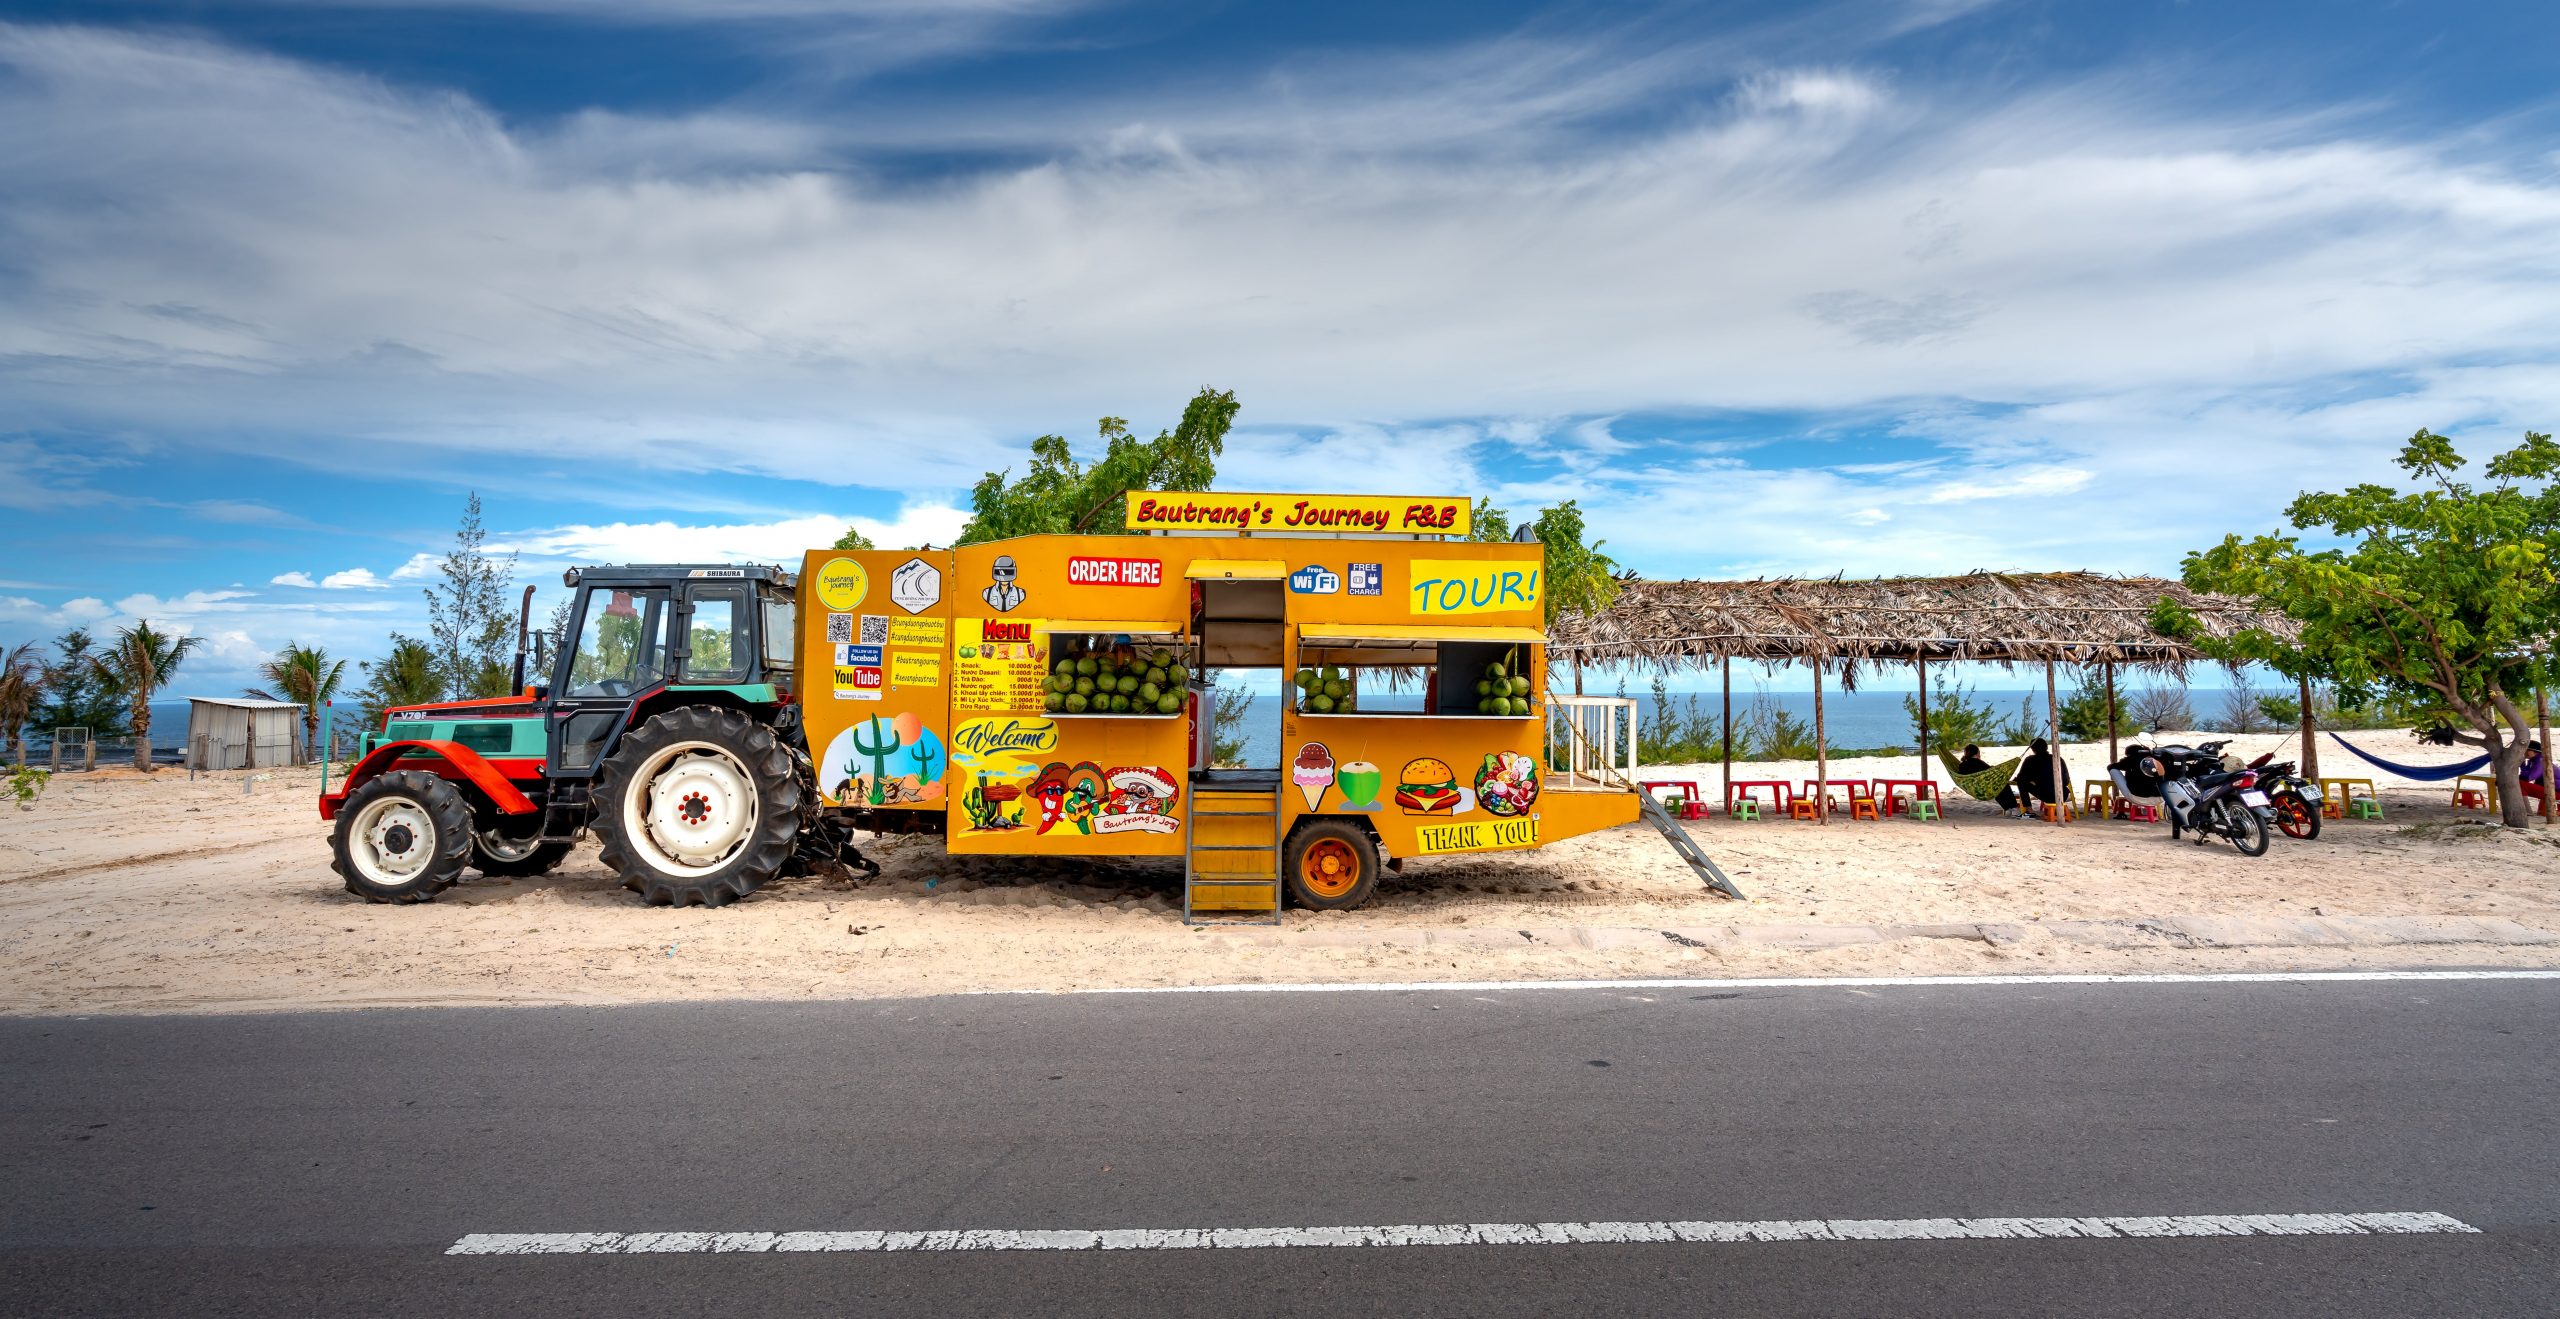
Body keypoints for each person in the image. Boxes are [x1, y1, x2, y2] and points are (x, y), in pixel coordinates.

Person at [1998, 737, 2070, 815]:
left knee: (2021, 782)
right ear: (2046, 747)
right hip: (2063, 794)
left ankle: (2029, 809)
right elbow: (2066, 781)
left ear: (2032, 749)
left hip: (2045, 794)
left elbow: (2021, 777)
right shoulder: (2058, 759)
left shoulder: (2030, 760)